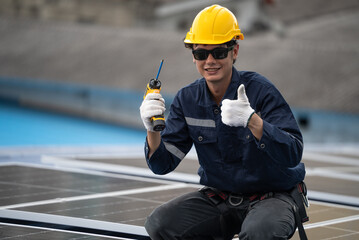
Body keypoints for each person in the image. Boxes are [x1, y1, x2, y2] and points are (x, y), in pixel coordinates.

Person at [140, 4, 307, 240]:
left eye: (218, 52)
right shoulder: (187, 100)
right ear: (193, 56)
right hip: (220, 199)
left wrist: (253, 121)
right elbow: (162, 165)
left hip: (273, 197)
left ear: (234, 51)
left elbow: (293, 153)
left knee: (260, 233)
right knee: (160, 224)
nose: (210, 61)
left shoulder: (261, 91)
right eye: (201, 53)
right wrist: (151, 130)